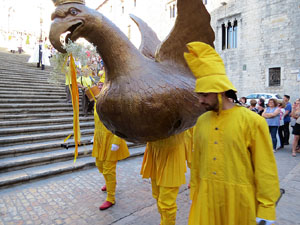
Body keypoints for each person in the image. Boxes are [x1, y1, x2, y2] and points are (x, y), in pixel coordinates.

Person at [184, 42, 280, 225]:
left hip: (240, 203)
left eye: (204, 94)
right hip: (206, 200)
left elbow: (265, 168)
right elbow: (196, 163)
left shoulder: (252, 121)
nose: (200, 100)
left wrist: (266, 208)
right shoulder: (201, 122)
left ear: (219, 90)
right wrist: (195, 193)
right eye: (199, 95)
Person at [140, 131, 188, 225]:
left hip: (172, 153)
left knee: (166, 202)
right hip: (153, 151)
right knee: (157, 195)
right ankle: (164, 221)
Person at [92, 95, 130, 210]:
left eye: (102, 83)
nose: (99, 85)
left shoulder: (115, 102)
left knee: (109, 169)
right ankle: (110, 182)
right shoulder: (96, 102)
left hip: (112, 140)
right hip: (100, 140)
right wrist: (95, 136)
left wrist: (117, 141)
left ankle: (110, 198)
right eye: (99, 84)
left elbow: (121, 124)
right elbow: (97, 123)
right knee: (99, 164)